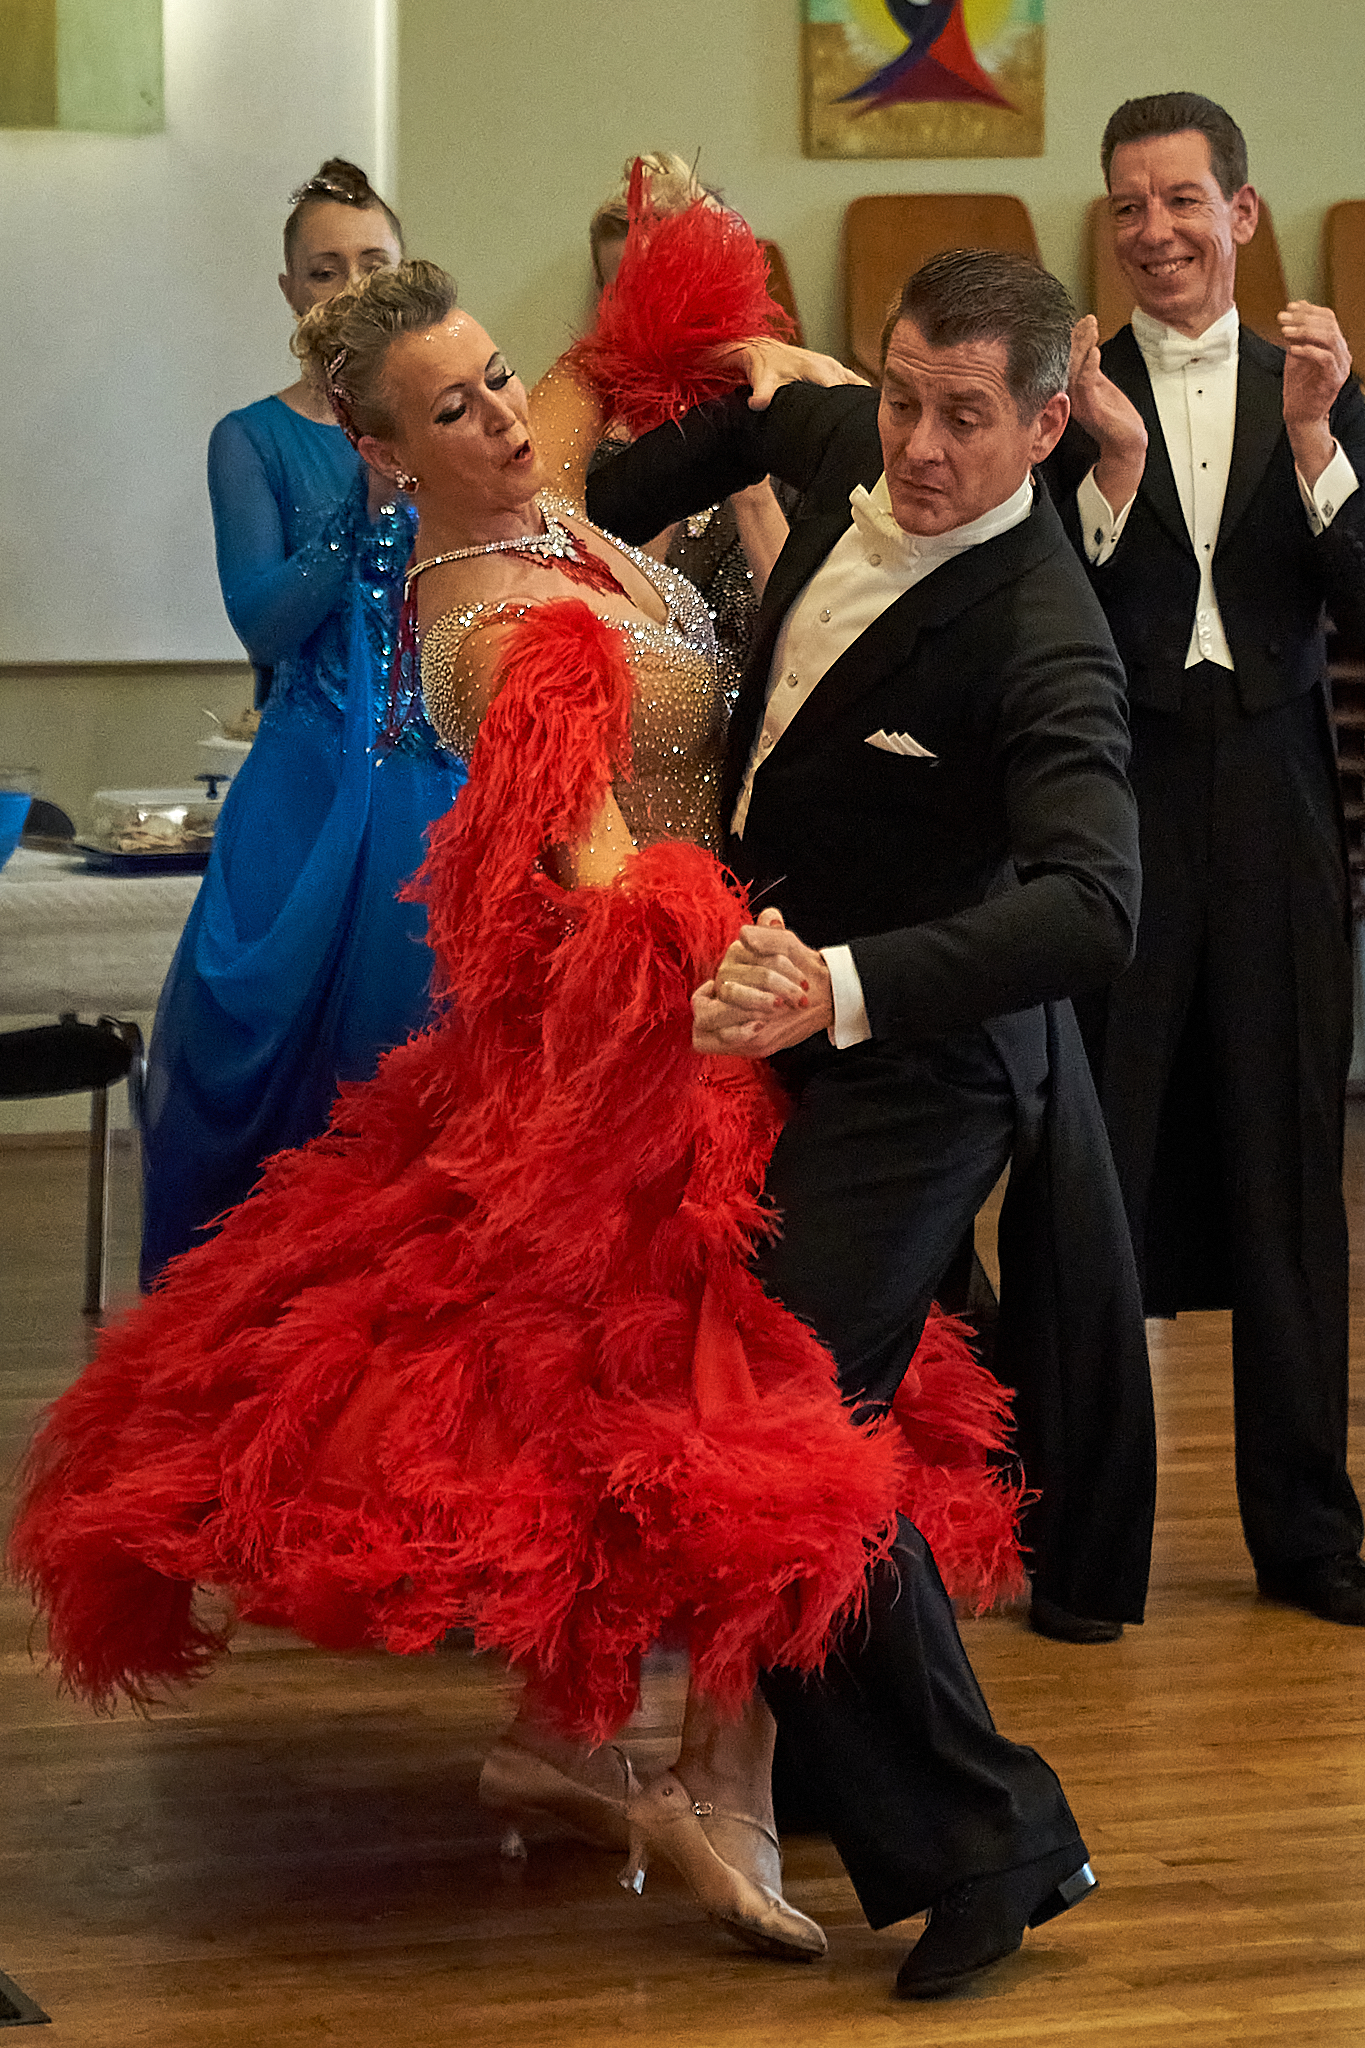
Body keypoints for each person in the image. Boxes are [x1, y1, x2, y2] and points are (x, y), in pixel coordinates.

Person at [10, 200, 1029, 1985]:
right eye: (454, 408)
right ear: (385, 456)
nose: (498, 417)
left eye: (493, 379)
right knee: (730, 1408)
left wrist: (739, 332)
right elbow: (603, 866)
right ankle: (719, 1781)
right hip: (653, 1037)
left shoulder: (528, 472)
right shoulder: (498, 624)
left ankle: (569, 1740)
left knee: (667, 1396)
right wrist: (755, 968)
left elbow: (598, 373)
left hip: (691, 1016)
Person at [589, 245, 1155, 1993]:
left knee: (773, 1411)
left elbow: (1095, 906)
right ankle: (899, 1803)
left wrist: (836, 984)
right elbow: (708, 445)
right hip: (779, 1039)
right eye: (902, 398)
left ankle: (995, 1832)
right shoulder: (849, 437)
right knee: (773, 1426)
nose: (915, 446)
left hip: (923, 1067)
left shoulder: (1044, 632)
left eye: (963, 418)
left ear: (1046, 425)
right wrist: (593, 529)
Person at [1044, 92, 1365, 1626]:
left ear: (1240, 212)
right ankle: (1084, 1548)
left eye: (1180, 200)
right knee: (1093, 1167)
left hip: (1284, 808)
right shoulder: (1069, 399)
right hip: (1119, 811)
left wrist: (1312, 440)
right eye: (1128, 205)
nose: (1154, 230)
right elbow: (1042, 619)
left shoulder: (1325, 386)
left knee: (1294, 1169)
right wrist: (1109, 480)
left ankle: (1307, 1535)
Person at [139, 159, 466, 1285]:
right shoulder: (252, 439)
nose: (351, 286)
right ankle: (239, 1317)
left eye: (373, 262)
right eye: (325, 270)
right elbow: (265, 624)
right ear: (291, 292)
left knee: (415, 1051)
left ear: (408, 272)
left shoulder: (456, 423)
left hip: (433, 781)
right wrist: (362, 514)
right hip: (307, 785)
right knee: (256, 1036)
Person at [588, 151, 792, 705]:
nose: (655, 310)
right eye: (628, 289)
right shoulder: (591, 440)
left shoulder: (784, 416)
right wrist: (667, 456)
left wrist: (747, 478)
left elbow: (806, 637)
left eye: (670, 282)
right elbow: (613, 632)